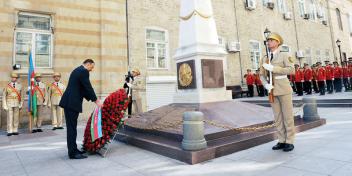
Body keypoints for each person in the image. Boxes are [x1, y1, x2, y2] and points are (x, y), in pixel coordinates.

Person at [59, 59, 102, 159]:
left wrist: (93, 99)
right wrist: (96, 100)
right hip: (71, 103)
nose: (91, 70)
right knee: (71, 129)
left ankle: (74, 149)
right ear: (88, 64)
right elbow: (87, 86)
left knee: (72, 128)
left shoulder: (78, 70)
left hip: (70, 102)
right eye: (92, 67)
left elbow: (82, 88)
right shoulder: (83, 71)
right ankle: (73, 153)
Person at [260, 33, 295, 152]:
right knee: (278, 117)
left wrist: (274, 69)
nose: (268, 42)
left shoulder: (284, 55)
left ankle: (289, 141)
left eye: (271, 40)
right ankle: (281, 140)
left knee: (288, 116)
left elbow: (291, 70)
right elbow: (261, 75)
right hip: (272, 90)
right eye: (268, 40)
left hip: (284, 89)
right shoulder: (265, 58)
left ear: (277, 42)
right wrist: (266, 85)